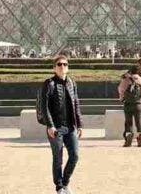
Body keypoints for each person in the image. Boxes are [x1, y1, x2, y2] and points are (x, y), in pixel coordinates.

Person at [40, 54, 83, 194]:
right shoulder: (49, 83)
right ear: (54, 68)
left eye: (65, 64)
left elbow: (76, 104)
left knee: (75, 155)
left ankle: (65, 183)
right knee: (58, 158)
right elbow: (44, 107)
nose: (62, 66)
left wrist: (80, 125)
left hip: (70, 127)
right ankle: (59, 187)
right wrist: (50, 125)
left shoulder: (72, 83)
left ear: (68, 67)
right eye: (59, 64)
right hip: (56, 128)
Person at [117, 64, 141, 147]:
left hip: (128, 103)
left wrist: (122, 97)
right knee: (138, 122)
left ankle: (129, 138)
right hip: (138, 104)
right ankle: (140, 138)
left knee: (128, 122)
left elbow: (120, 89)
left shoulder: (126, 79)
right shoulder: (140, 80)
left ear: (130, 71)